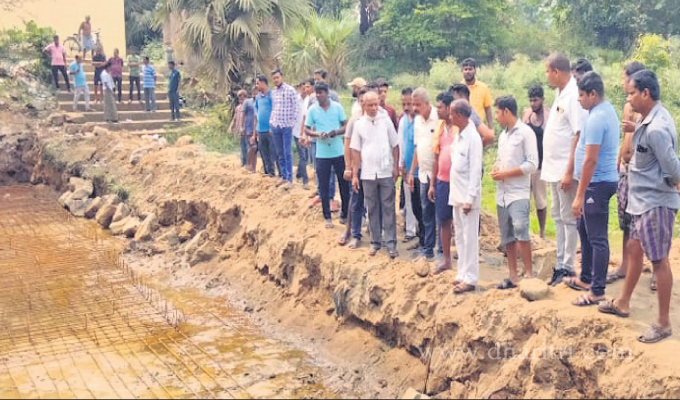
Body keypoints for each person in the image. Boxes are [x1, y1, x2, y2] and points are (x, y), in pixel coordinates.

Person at [599, 70, 680, 344]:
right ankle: (622, 302)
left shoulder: (657, 128)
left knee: (659, 260)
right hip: (640, 201)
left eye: (632, 93)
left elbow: (673, 169)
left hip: (655, 203)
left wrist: (670, 194)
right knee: (634, 248)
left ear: (646, 93)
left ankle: (663, 323)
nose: (628, 98)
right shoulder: (647, 120)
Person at [564, 72, 619, 307]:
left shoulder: (597, 118)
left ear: (593, 94)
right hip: (595, 183)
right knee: (584, 229)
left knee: (597, 237)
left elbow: (590, 160)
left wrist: (579, 196)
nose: (579, 99)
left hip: (597, 184)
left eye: (581, 95)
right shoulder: (603, 111)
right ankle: (586, 278)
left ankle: (597, 291)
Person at [543, 53, 589, 286]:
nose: (546, 76)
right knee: (557, 215)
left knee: (568, 218)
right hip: (553, 167)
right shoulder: (560, 93)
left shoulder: (573, 95)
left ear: (556, 72)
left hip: (564, 168)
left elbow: (578, 134)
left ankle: (568, 266)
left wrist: (569, 170)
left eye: (547, 71)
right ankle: (560, 262)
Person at [608, 61, 648, 286]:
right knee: (625, 218)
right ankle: (625, 265)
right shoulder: (627, 107)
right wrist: (618, 158)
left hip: (641, 170)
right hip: (625, 168)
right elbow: (625, 136)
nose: (622, 82)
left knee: (644, 221)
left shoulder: (647, 108)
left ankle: (653, 266)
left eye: (625, 78)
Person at [492, 96, 538, 290]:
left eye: (497, 112)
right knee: (507, 235)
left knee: (520, 228)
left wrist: (506, 173)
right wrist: (497, 167)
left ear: (506, 111)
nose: (495, 117)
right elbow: (500, 158)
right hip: (502, 193)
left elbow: (532, 164)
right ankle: (513, 275)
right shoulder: (503, 136)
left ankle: (529, 273)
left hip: (518, 192)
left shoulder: (526, 133)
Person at [351, 91, 400, 259]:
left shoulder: (386, 121)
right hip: (368, 173)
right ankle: (375, 241)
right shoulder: (359, 124)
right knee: (371, 208)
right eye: (370, 105)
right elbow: (356, 150)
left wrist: (395, 167)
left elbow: (395, 144)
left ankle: (391, 243)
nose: (373, 108)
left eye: (375, 104)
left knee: (388, 207)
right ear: (363, 105)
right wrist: (355, 174)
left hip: (386, 171)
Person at [449, 99, 483, 294]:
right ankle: (462, 273)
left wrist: (470, 198)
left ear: (460, 116)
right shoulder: (459, 134)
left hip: (467, 197)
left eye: (452, 114)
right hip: (456, 193)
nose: (450, 117)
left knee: (469, 238)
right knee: (460, 236)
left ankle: (470, 278)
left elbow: (475, 170)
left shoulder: (473, 138)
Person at [305, 83, 350, 228]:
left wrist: (335, 132)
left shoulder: (337, 107)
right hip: (322, 153)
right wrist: (318, 134)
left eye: (321, 93)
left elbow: (346, 125)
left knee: (344, 184)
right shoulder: (313, 109)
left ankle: (345, 214)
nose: (318, 95)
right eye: (316, 93)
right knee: (323, 186)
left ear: (327, 93)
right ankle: (327, 217)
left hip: (338, 151)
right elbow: (306, 129)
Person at [407, 88, 439, 261]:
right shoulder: (417, 121)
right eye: (413, 104)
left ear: (427, 103)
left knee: (441, 214)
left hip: (438, 174)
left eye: (418, 105)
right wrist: (412, 172)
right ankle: (428, 249)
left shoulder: (439, 118)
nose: (414, 108)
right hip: (423, 174)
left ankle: (442, 251)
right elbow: (417, 148)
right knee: (426, 213)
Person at [429, 92, 457, 274]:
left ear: (448, 108)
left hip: (457, 182)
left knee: (460, 222)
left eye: (440, 107)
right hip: (442, 180)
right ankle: (446, 260)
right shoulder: (439, 127)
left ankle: (464, 260)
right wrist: (432, 184)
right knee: (443, 220)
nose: (437, 110)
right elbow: (436, 157)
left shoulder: (459, 127)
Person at [341, 86, 370, 249]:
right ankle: (352, 233)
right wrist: (348, 167)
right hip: (358, 167)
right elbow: (347, 144)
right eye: (361, 101)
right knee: (356, 201)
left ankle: (375, 236)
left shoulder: (381, 118)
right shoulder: (354, 120)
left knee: (374, 202)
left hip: (374, 168)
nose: (364, 104)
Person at [522, 85, 550, 239]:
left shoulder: (549, 116)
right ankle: (524, 231)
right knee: (524, 199)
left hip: (541, 165)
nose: (533, 103)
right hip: (526, 164)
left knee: (540, 200)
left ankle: (542, 232)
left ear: (542, 100)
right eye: (531, 100)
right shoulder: (526, 115)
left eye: (536, 100)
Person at [399, 87, 424, 249]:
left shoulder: (421, 121)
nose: (407, 107)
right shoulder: (403, 121)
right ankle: (411, 232)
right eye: (404, 104)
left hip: (421, 171)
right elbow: (401, 144)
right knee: (410, 203)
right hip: (407, 169)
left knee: (422, 205)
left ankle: (424, 237)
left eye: (410, 104)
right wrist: (401, 164)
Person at [270, 69, 300, 189]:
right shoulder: (274, 92)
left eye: (277, 77)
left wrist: (292, 123)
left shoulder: (290, 90)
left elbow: (296, 108)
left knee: (287, 153)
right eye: (274, 78)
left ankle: (289, 179)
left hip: (286, 126)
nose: (276, 80)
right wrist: (272, 122)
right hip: (276, 125)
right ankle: (283, 176)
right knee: (280, 153)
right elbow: (274, 108)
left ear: (282, 77)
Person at [253, 75, 277, 177]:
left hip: (270, 130)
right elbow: (255, 110)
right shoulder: (258, 97)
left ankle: (273, 172)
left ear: (263, 83)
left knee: (272, 152)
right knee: (263, 151)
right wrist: (255, 131)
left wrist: (272, 126)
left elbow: (275, 110)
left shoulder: (272, 95)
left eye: (257, 83)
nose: (256, 85)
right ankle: (267, 171)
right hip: (260, 129)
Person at [461, 58, 494, 129]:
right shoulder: (458, 88)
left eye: (470, 69)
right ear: (462, 71)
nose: (468, 72)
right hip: (462, 126)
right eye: (465, 69)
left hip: (479, 127)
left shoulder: (484, 87)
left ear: (475, 70)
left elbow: (487, 108)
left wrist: (490, 127)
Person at [293, 82, 309, 189]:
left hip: (306, 132)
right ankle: (305, 181)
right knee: (303, 156)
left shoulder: (309, 100)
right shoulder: (295, 100)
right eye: (303, 88)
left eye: (306, 88)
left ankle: (299, 173)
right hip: (297, 131)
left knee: (305, 156)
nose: (304, 91)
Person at [230, 89, 248, 167]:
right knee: (242, 147)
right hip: (240, 132)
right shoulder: (237, 108)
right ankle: (243, 162)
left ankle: (248, 163)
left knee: (247, 147)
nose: (241, 99)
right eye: (240, 97)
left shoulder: (249, 107)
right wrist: (231, 127)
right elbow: (235, 118)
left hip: (247, 131)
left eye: (243, 97)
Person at [245, 88, 258, 172]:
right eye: (254, 93)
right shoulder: (247, 102)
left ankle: (253, 167)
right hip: (249, 128)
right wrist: (242, 127)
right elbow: (243, 114)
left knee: (256, 149)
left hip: (258, 128)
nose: (255, 94)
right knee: (252, 146)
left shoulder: (260, 102)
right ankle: (248, 163)